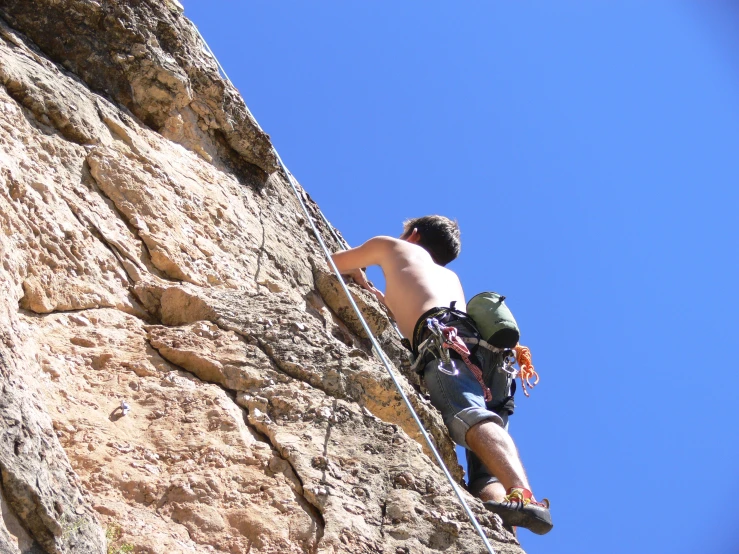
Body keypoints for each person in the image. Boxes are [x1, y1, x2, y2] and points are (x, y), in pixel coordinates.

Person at [331, 215, 553, 535]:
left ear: (414, 234)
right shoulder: (448, 277)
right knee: (486, 472)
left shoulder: (389, 246)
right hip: (487, 353)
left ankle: (525, 497)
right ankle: (503, 534)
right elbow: (407, 307)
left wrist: (356, 268)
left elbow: (333, 261)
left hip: (446, 341)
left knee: (468, 416)